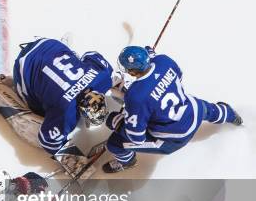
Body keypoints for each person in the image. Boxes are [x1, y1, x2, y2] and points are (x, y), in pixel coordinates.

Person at [0, 37, 120, 175]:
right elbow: (48, 140)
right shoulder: (66, 112)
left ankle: (54, 65)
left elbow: (91, 55)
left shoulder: (103, 77)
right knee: (37, 120)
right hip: (23, 65)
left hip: (49, 44)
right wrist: (71, 158)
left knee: (74, 65)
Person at [102, 46, 243, 173]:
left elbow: (137, 138)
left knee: (114, 144)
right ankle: (231, 115)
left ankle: (127, 162)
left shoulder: (135, 96)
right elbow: (178, 77)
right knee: (210, 110)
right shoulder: (163, 60)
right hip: (193, 111)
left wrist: (114, 121)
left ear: (132, 72)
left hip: (173, 138)